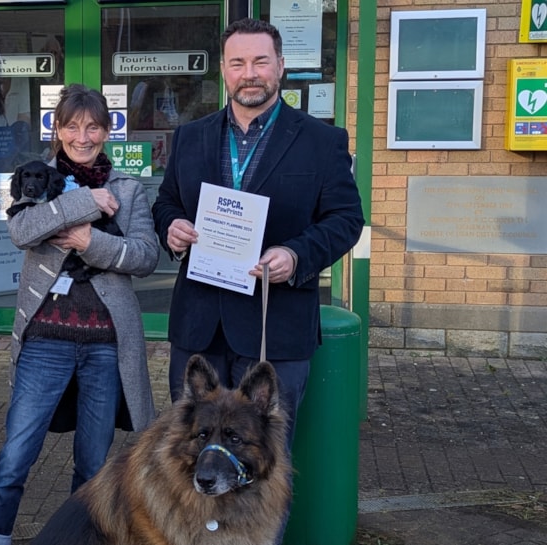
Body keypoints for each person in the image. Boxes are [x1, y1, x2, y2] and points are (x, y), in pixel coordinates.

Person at [152, 17, 363, 540]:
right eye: (238, 62)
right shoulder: (190, 137)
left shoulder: (322, 141)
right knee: (188, 457)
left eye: (261, 61)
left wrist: (297, 255)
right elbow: (167, 203)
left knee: (266, 467)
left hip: (276, 328)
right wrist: (171, 228)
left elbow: (345, 220)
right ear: (224, 70)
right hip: (201, 328)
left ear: (281, 67)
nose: (250, 73)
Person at [0, 84, 160, 545]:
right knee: (17, 454)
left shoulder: (129, 188)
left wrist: (88, 243)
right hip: (46, 341)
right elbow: (23, 228)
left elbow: (144, 256)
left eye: (93, 126)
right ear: (57, 130)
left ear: (106, 130)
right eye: (73, 126)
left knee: (94, 465)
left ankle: (80, 540)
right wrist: (87, 202)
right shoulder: (34, 176)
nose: (83, 136)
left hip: (105, 347)